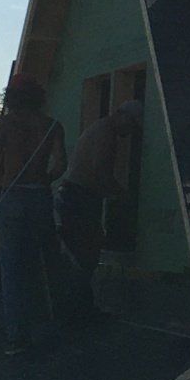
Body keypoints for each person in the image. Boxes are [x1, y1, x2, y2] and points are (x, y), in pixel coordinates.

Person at [0, 74, 67, 355]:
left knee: (13, 268)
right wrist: (45, 179)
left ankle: (18, 337)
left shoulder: (7, 124)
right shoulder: (52, 126)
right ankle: (53, 326)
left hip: (12, 197)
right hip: (40, 197)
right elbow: (61, 164)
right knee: (44, 262)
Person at [57, 98, 142, 319]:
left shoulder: (99, 128)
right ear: (123, 116)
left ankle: (79, 309)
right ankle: (77, 312)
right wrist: (123, 196)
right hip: (79, 198)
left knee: (82, 255)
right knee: (85, 255)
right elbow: (101, 172)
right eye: (132, 125)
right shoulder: (106, 133)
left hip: (75, 197)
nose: (130, 132)